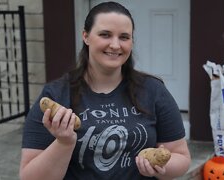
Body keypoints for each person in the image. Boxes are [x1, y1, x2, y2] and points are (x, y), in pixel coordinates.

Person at [19, 1, 191, 180]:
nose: (115, 45)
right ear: (86, 36)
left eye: (124, 37)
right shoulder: (56, 95)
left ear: (132, 42)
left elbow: (182, 157)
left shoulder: (153, 90)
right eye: (105, 35)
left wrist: (161, 167)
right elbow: (29, 177)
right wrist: (64, 143)